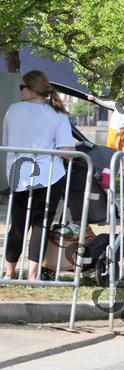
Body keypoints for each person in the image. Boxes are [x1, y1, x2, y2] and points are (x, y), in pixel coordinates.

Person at [1, 70, 75, 281]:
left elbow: (6, 141)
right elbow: (66, 150)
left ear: (32, 89)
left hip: (19, 174)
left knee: (18, 225)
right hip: (50, 174)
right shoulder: (58, 114)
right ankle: (33, 276)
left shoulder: (13, 110)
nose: (20, 91)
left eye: (22, 87)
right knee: (41, 225)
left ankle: (9, 272)